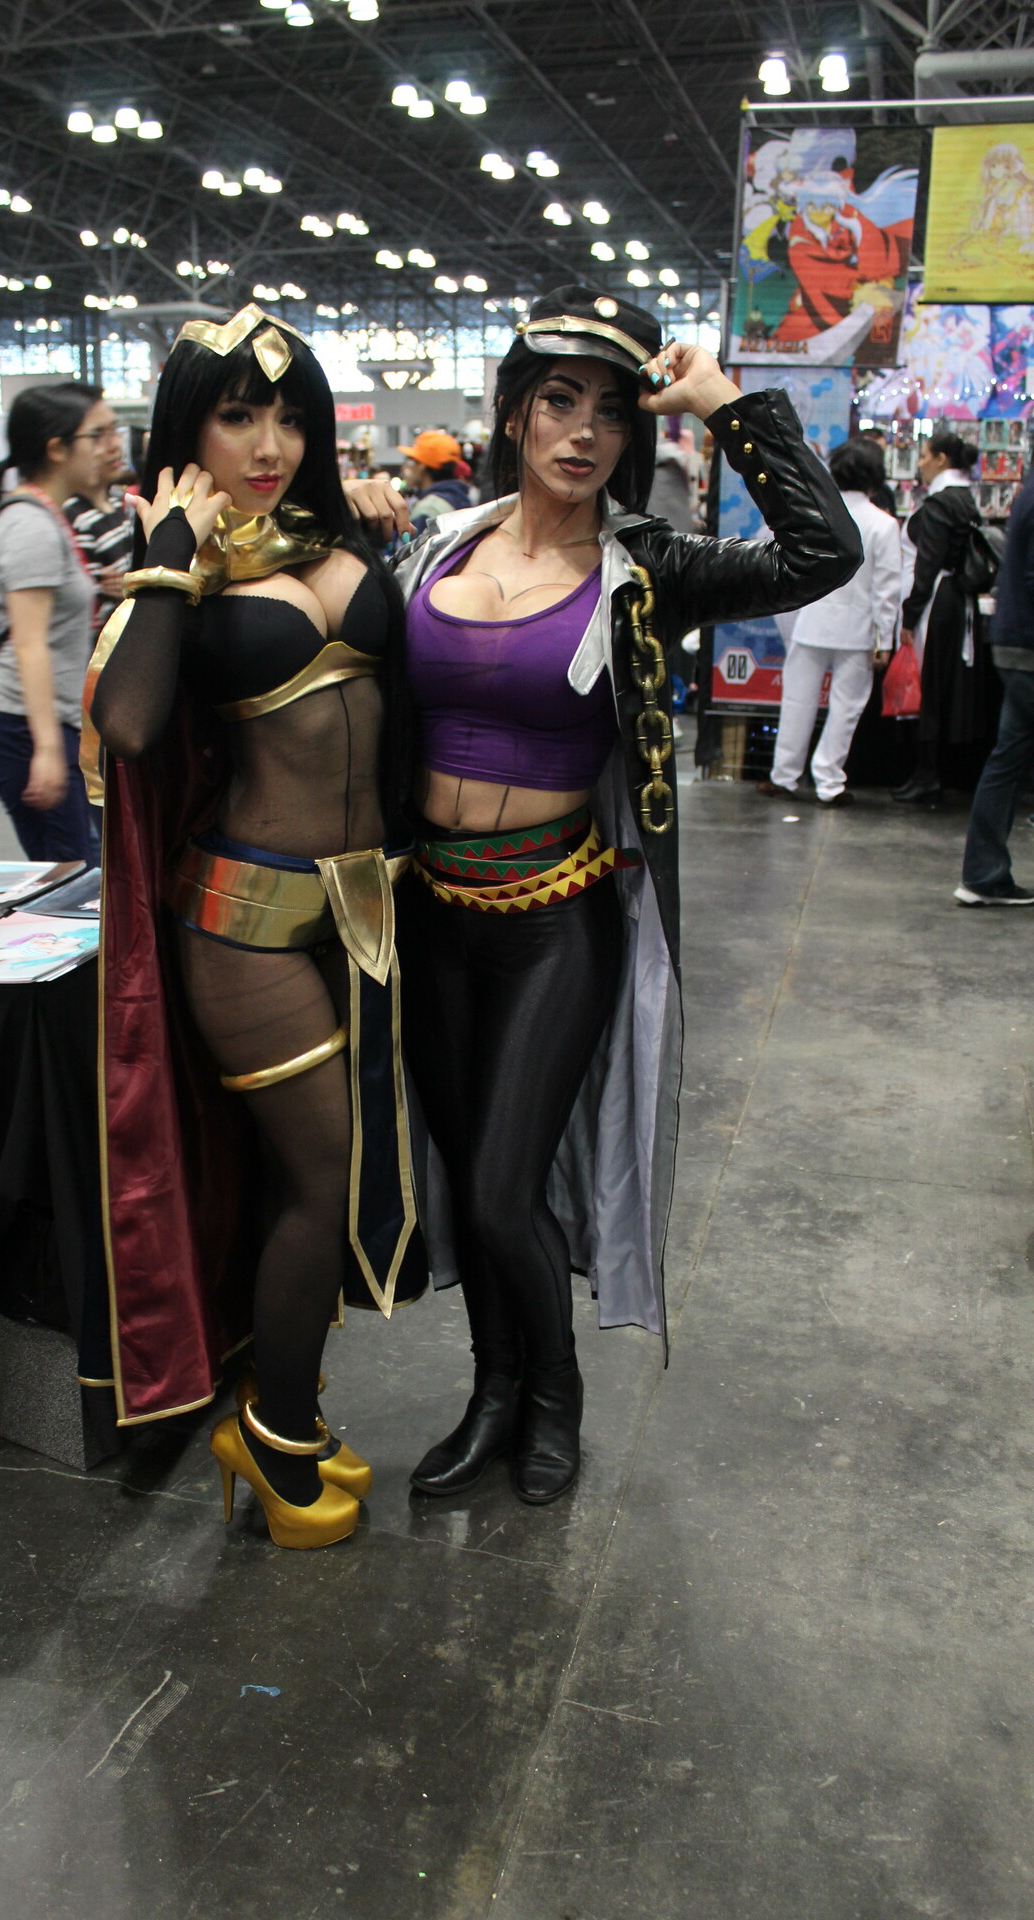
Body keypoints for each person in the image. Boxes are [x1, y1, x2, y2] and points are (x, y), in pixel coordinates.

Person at [383, 287, 860, 1507]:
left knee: (505, 1188)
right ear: (512, 413)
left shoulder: (646, 567)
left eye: (610, 410)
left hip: (559, 918)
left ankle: (554, 1397)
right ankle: (491, 1393)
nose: (583, 430)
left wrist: (726, 405)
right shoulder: (434, 551)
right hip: (430, 912)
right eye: (558, 400)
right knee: (462, 1181)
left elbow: (822, 554)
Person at [84, 304, 422, 1550]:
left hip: (365, 911)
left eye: (288, 416)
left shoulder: (336, 532)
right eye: (236, 417)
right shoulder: (176, 570)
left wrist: (387, 533)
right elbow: (127, 725)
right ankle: (272, 1437)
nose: (268, 443)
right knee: (324, 1177)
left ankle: (291, 1409)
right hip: (244, 923)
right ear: (189, 432)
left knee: (323, 1178)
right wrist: (169, 553)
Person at [0, 383, 108, 865]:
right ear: (57, 448)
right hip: (21, 725)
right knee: (72, 873)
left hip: (40, 721)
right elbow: (30, 644)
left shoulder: (48, 517)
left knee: (79, 865)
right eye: (97, 435)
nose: (109, 447)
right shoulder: (30, 527)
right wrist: (47, 749)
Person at [758, 437, 901, 807]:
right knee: (845, 708)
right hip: (857, 630)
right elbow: (887, 590)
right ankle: (829, 781)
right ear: (876, 477)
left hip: (812, 621)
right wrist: (885, 640)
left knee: (797, 701)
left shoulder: (818, 515)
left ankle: (784, 776)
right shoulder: (884, 525)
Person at [893, 430, 996, 804]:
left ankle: (927, 773)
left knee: (930, 686)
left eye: (924, 455)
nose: (919, 463)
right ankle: (930, 772)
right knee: (940, 685)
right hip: (954, 603)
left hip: (935, 604)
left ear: (941, 459)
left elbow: (928, 563)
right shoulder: (964, 498)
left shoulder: (940, 503)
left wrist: (909, 615)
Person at [955, 464, 1034, 905]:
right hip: (1027, 646)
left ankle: (984, 875)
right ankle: (983, 873)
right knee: (1008, 758)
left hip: (1016, 641)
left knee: (1009, 757)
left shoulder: (1028, 491)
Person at [63, 425, 133, 633]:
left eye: (114, 434)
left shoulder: (115, 503)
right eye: (98, 438)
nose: (115, 447)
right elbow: (89, 592)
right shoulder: (75, 514)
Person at [399, 430, 472, 532]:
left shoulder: (428, 509)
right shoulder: (460, 498)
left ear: (422, 466)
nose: (405, 469)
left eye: (410, 461)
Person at [857, 428, 898, 516]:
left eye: (882, 452)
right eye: (875, 452)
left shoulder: (886, 492)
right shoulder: (845, 489)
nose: (879, 458)